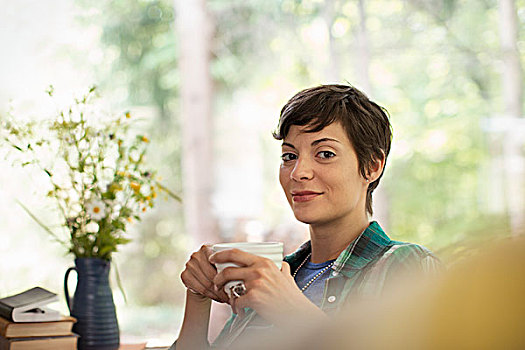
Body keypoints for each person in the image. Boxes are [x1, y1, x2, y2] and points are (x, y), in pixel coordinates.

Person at [174, 84, 441, 349]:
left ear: (372, 166)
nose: (298, 172)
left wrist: (293, 313)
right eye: (289, 156)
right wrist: (198, 296)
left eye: (325, 154)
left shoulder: (404, 265)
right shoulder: (273, 273)